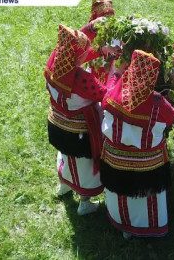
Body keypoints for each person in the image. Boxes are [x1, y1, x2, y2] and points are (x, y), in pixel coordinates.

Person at [100, 50, 174, 238]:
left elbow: (106, 94)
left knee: (120, 194)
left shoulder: (114, 94)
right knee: (146, 199)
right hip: (147, 164)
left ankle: (123, 225)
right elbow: (172, 117)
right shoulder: (157, 102)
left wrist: (118, 73)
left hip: (115, 158)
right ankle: (148, 228)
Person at [44, 24, 118, 215]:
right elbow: (106, 96)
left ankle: (64, 185)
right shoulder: (82, 79)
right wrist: (116, 74)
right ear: (78, 57)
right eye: (85, 52)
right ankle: (84, 203)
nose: (88, 54)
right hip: (80, 132)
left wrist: (101, 50)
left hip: (57, 123)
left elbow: (76, 52)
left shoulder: (54, 62)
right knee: (84, 166)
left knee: (66, 157)